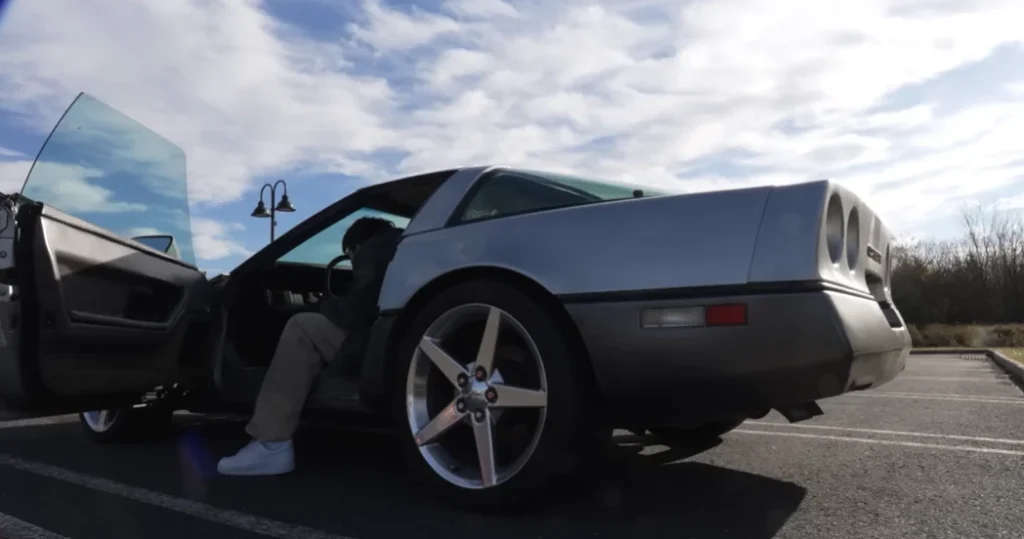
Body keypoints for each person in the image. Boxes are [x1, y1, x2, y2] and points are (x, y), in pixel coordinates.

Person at [217, 216, 403, 476]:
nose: (351, 262)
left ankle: (271, 444)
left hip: (381, 345)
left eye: (349, 256)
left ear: (357, 247)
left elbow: (356, 311)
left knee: (302, 327)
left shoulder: (378, 250)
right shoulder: (406, 245)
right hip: (405, 340)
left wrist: (321, 305)